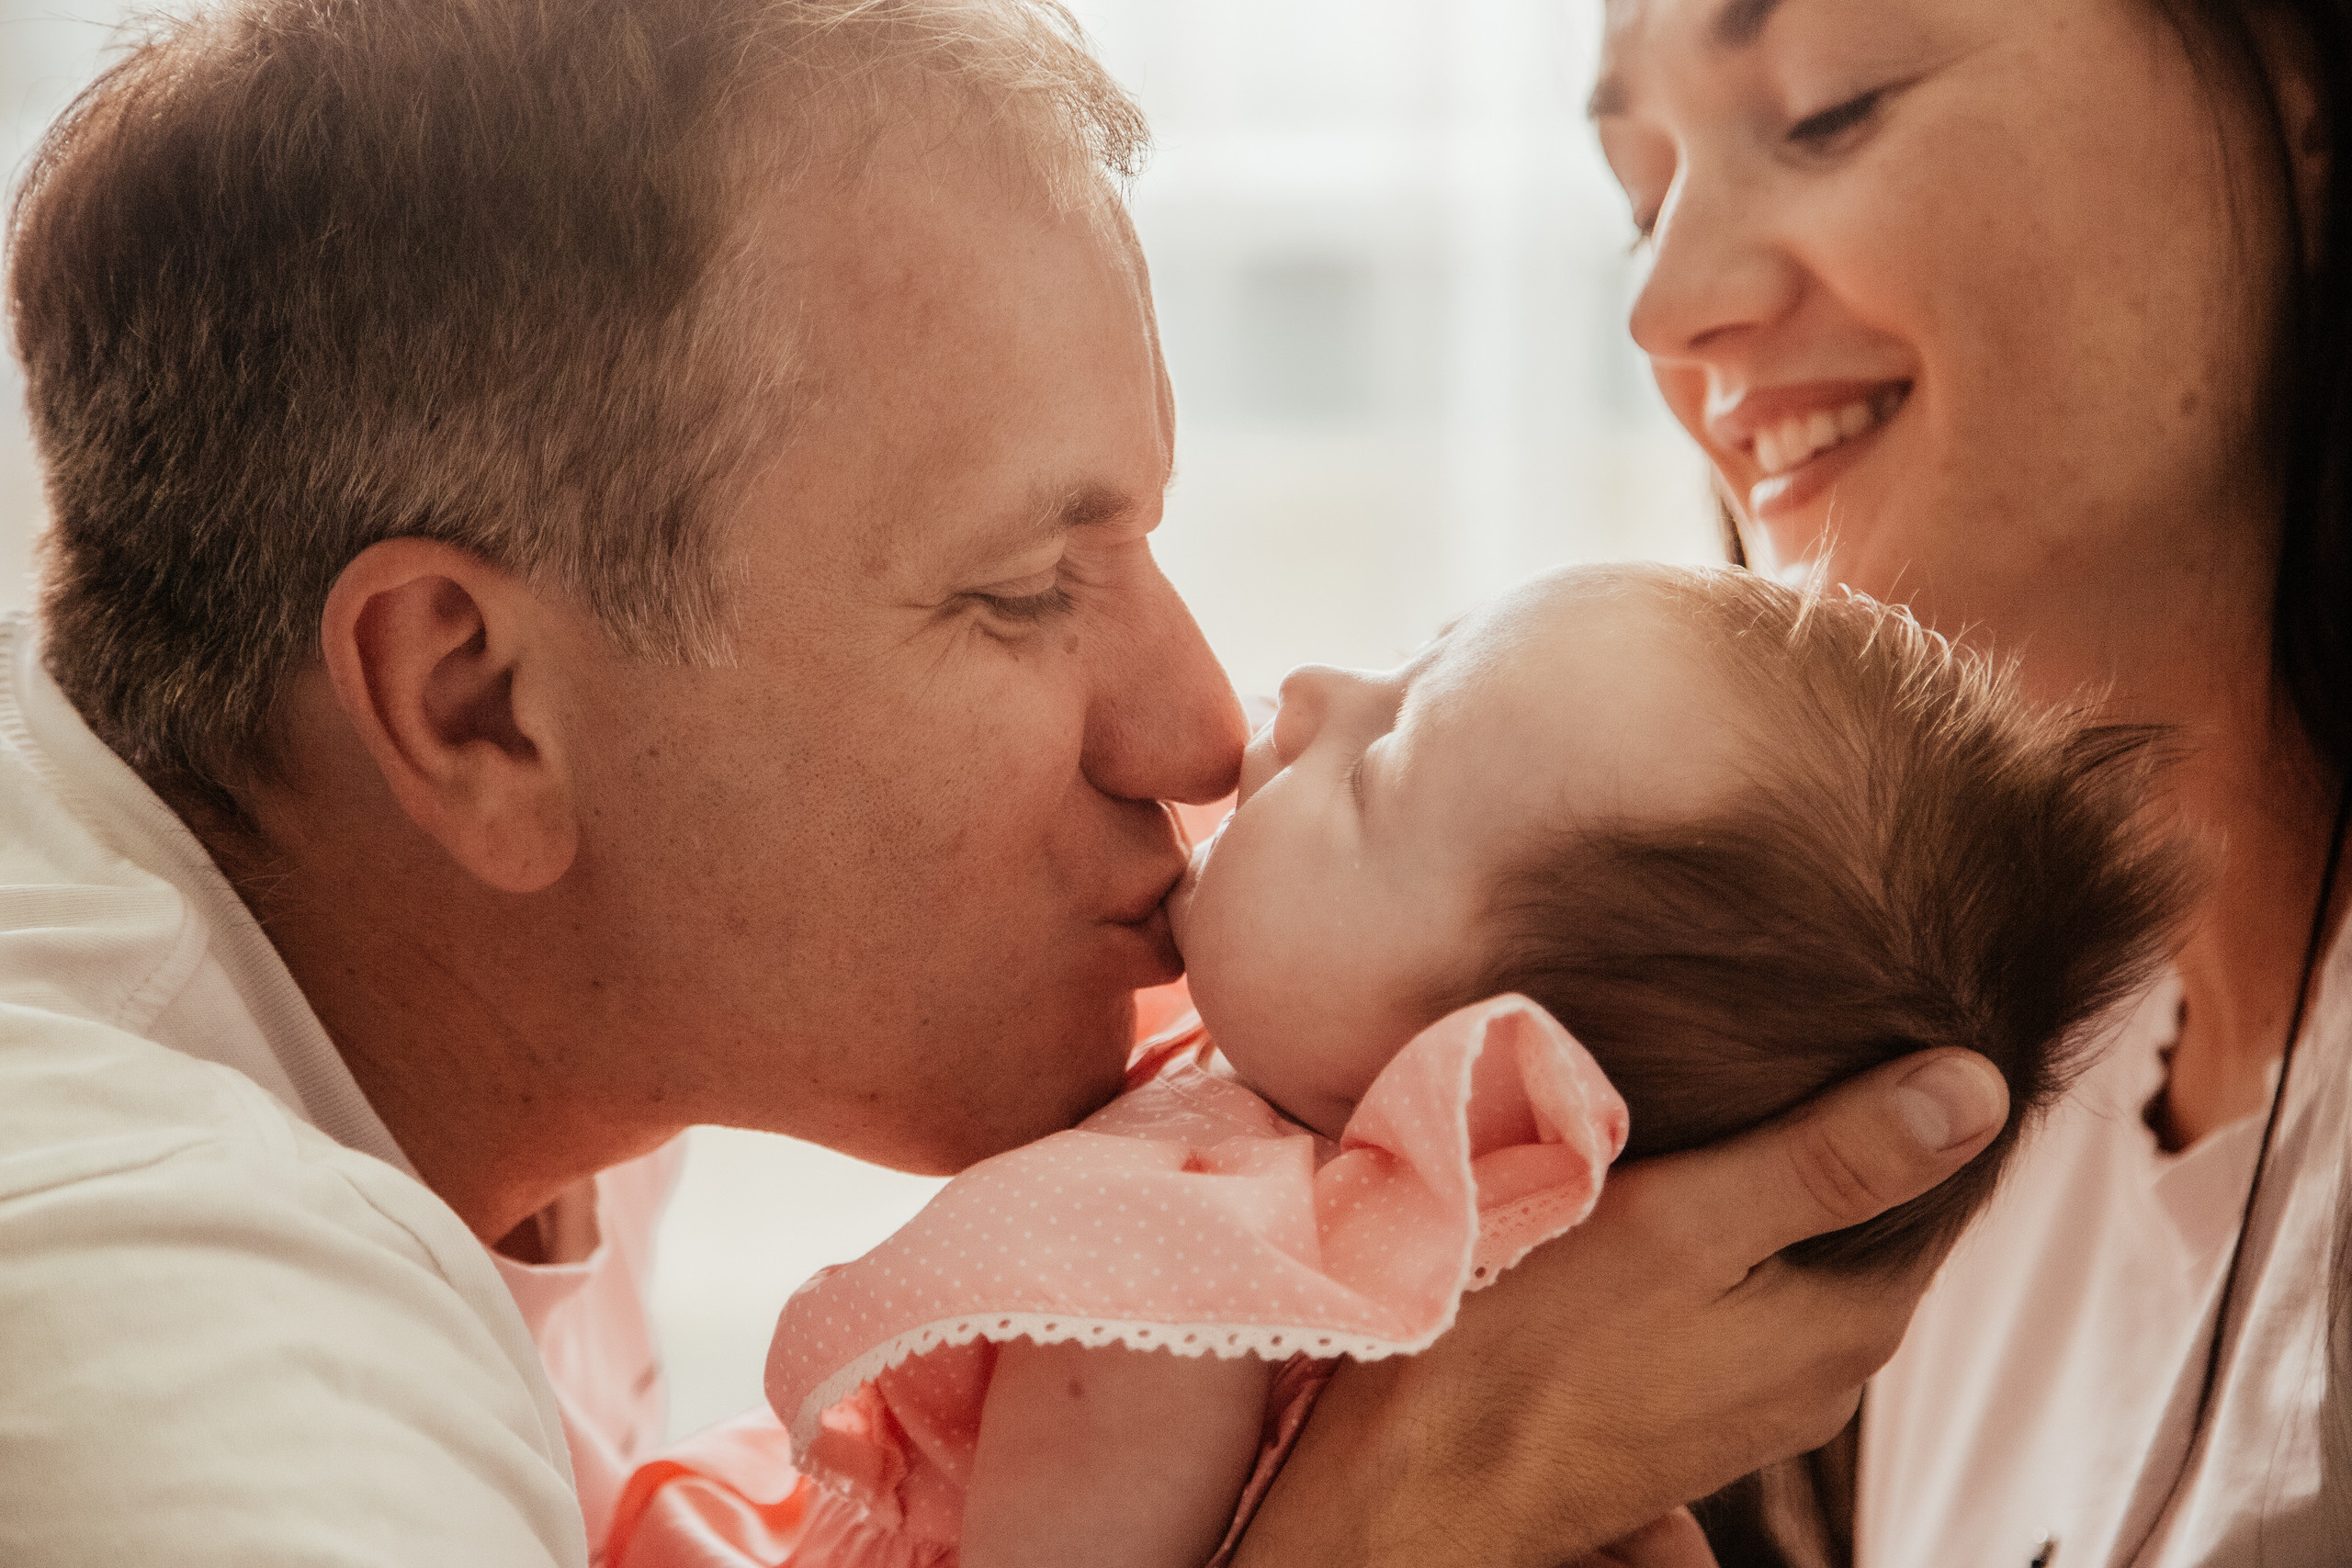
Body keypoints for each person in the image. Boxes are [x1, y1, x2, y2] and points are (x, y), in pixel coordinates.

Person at [0, 0, 2013, 1563]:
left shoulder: (489, 1021)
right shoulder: (174, 1336)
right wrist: (1392, 1519)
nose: (1202, 731)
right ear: (474, 708)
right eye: (1022, 588)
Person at [755, 563, 2187, 1568]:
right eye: (1405, 664)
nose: (1307, 694)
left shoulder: (1179, 1282)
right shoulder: (1363, 1281)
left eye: (1381, 769)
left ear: (1488, 1095)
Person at [1591, 0, 2352, 1562]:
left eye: (1823, 112)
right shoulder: (1945, 1080)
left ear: (2301, 98)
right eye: (1638, 195)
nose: (1664, 306)